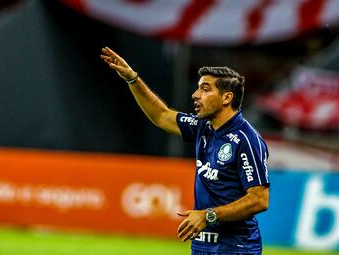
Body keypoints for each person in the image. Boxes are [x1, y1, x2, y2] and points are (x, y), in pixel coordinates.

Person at [101, 47, 270, 255]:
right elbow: (162, 116)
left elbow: (259, 199)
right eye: (198, 88)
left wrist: (208, 215)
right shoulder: (203, 126)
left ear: (226, 98)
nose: (195, 95)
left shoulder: (246, 139)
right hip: (201, 245)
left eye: (205, 89)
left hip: (236, 248)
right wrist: (132, 79)